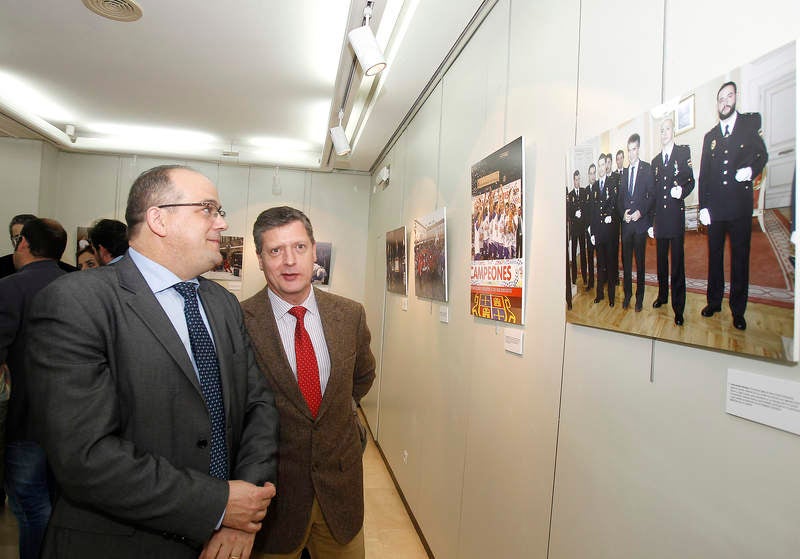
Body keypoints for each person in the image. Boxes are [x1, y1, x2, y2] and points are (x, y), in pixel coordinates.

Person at [26, 165, 280, 559]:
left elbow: (259, 407)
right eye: (208, 209)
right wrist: (218, 505)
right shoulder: (77, 302)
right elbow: (85, 456)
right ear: (159, 218)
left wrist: (243, 513)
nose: (222, 222)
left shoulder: (222, 304)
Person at [241, 206, 376, 559]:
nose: (289, 261)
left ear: (315, 250)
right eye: (275, 250)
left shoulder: (350, 315)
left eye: (299, 247)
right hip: (275, 501)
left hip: (341, 495)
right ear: (259, 259)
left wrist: (337, 413)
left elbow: (362, 376)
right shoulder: (239, 321)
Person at [0, 218, 68, 559]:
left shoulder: (11, 287)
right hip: (68, 420)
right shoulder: (77, 285)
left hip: (23, 418)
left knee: (29, 507)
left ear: (23, 244)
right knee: (55, 503)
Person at [698, 81, 768, 330]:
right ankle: (714, 302)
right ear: (717, 105)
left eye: (728, 96)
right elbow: (704, 175)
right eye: (720, 99)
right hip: (715, 210)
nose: (724, 102)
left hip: (739, 207)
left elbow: (762, 155)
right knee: (714, 257)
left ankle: (738, 310)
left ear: (735, 98)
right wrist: (702, 207)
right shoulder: (710, 137)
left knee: (740, 258)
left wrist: (751, 170)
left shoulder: (748, 125)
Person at [648, 117, 695, 326]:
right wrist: (651, 222)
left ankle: (678, 307)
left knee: (677, 265)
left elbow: (691, 181)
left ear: (673, 131)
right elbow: (652, 196)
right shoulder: (656, 162)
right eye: (661, 130)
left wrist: (682, 191)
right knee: (661, 264)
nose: (664, 133)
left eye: (667, 129)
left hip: (675, 219)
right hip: (660, 221)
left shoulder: (683, 153)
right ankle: (662, 296)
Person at [617, 133, 654, 311]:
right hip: (626, 227)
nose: (631, 154)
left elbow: (651, 196)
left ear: (638, 149)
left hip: (639, 226)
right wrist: (622, 213)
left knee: (639, 264)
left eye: (633, 149)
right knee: (626, 264)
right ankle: (628, 295)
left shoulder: (647, 169)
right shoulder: (623, 173)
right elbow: (619, 199)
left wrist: (640, 212)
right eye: (628, 150)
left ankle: (639, 298)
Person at [1, 214, 77, 279]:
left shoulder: (71, 274)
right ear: (12, 240)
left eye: (30, 237)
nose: (24, 243)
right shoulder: (2, 266)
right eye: (18, 238)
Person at [588, 154, 618, 307]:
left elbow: (615, 202)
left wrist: (610, 215)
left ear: (606, 166)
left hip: (609, 232)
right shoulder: (594, 187)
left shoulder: (613, 182)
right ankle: (599, 294)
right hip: (598, 232)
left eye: (602, 165)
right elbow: (593, 211)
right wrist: (592, 232)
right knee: (599, 265)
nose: (600, 168)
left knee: (611, 264)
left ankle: (611, 296)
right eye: (598, 165)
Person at [567, 170, 588, 287]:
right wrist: (574, 214)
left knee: (583, 254)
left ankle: (585, 277)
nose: (577, 182)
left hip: (582, 229)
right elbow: (569, 213)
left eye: (579, 179)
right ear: (573, 180)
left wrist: (582, 214)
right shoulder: (570, 195)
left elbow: (586, 208)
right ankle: (574, 277)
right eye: (575, 179)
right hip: (574, 229)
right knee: (574, 254)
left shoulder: (584, 192)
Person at [583, 164, 596, 291]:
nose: (592, 176)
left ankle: (604, 281)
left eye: (594, 173)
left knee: (602, 257)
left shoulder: (600, 187)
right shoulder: (586, 191)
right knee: (590, 257)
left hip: (599, 230)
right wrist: (588, 227)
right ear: (588, 175)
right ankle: (591, 282)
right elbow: (585, 212)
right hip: (589, 230)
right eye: (590, 173)